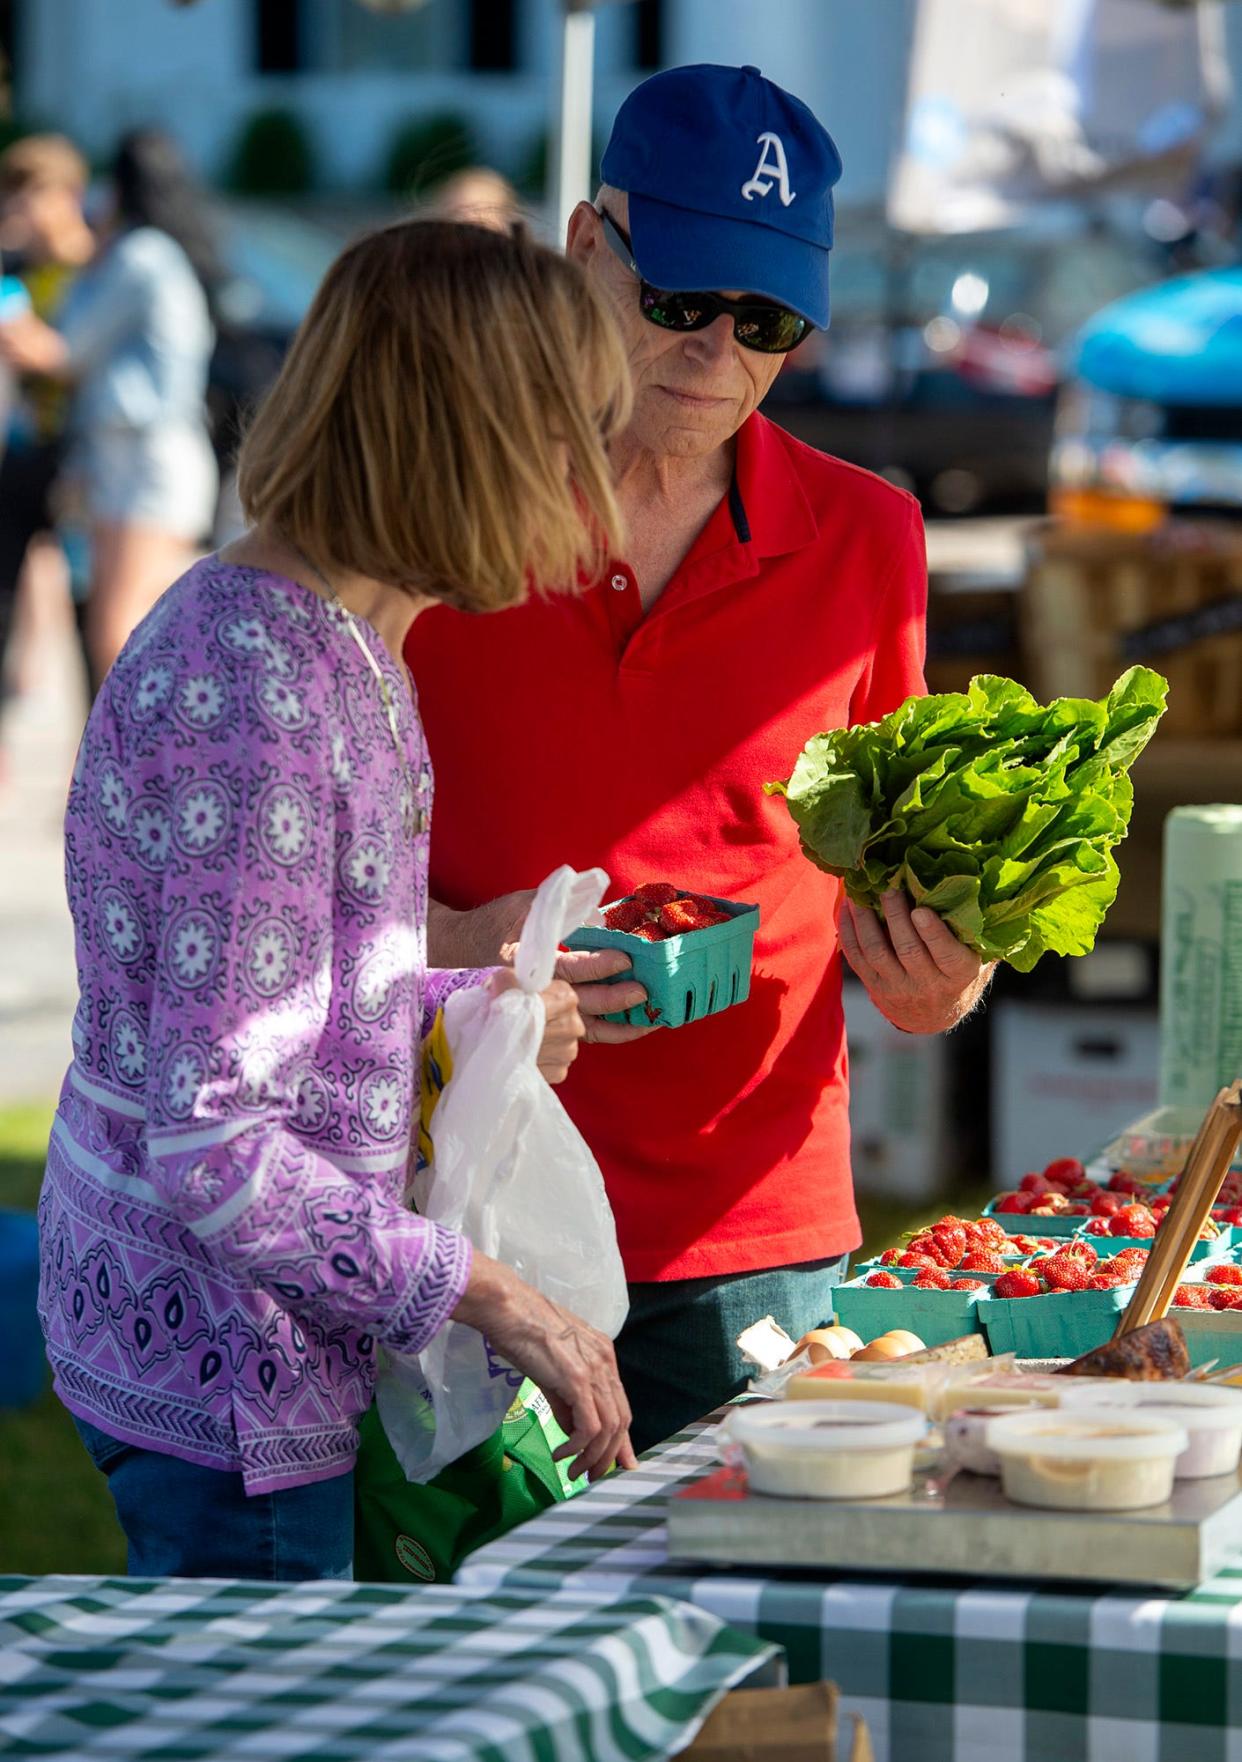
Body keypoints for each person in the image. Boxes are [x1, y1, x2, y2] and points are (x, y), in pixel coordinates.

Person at [37, 217, 637, 1582]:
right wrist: (497, 1299)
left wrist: (462, 1009)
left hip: (269, 1345)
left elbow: (279, 996)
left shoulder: (343, 639)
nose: (587, 485)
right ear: (472, 440)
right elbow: (216, 1141)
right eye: (567, 437)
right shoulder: (258, 686)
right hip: (225, 1373)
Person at [408, 65, 994, 1453]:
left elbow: (903, 899)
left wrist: (944, 978)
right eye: (677, 301)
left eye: (765, 319)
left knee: (742, 1648)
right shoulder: (436, 512)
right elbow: (293, 878)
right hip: (458, 1206)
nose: (715, 350)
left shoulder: (869, 537)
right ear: (583, 252)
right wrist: (459, 942)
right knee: (478, 1647)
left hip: (751, 1221)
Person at [0, 130, 219, 694]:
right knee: (129, 626)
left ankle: (137, 764)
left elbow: (65, 351)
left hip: (145, 461)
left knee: (116, 631)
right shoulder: (158, 254)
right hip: (134, 460)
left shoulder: (139, 254)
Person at [0, 135, 93, 720]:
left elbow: (64, 356)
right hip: (24, 451)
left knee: (91, 609)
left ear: (67, 197)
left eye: (26, 197)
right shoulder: (19, 271)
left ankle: (100, 746)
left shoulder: (95, 271)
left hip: (82, 460)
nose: (16, 213)